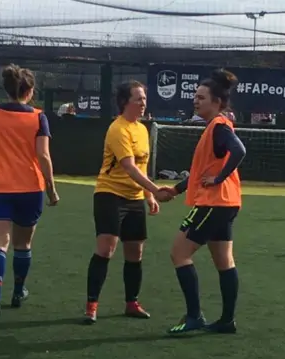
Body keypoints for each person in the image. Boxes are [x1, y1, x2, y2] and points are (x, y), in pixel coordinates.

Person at [0, 64, 59, 319]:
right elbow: (43, 156)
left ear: (6, 89)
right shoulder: (38, 117)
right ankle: (18, 292)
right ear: (29, 91)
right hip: (30, 187)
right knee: (23, 243)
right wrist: (52, 189)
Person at [158, 69, 246, 335]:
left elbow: (239, 151)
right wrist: (175, 189)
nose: (195, 101)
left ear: (216, 102)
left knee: (179, 253)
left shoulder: (219, 126)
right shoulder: (214, 127)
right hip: (226, 203)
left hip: (213, 203)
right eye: (194, 97)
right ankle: (227, 320)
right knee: (224, 261)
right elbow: (200, 172)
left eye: (201, 97)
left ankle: (194, 315)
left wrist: (218, 178)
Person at [83, 80, 167, 325]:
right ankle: (91, 305)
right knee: (106, 248)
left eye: (144, 99)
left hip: (134, 198)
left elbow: (141, 166)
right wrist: (156, 189)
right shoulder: (117, 129)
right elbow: (128, 166)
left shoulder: (142, 129)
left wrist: (149, 196)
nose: (143, 103)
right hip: (110, 194)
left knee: (135, 252)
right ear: (124, 102)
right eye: (138, 99)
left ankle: (132, 303)